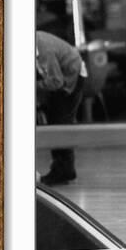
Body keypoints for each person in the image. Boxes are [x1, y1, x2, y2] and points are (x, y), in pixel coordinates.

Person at [36, 31, 87, 185]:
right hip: (63, 77)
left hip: (71, 79)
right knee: (56, 123)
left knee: (60, 124)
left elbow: (56, 82)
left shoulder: (45, 51)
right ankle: (63, 170)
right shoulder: (36, 41)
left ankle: (64, 171)